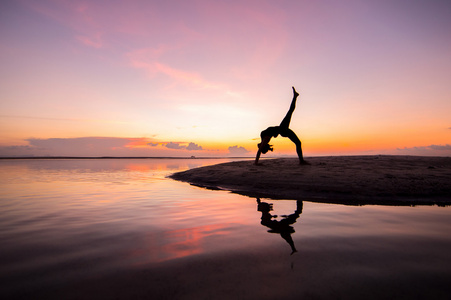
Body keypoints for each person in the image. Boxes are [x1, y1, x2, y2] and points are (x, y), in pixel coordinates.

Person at [255, 86, 308, 165]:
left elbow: (272, 135)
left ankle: (301, 161)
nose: (259, 146)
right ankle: (301, 161)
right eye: (261, 146)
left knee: (298, 142)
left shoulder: (263, 136)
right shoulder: (265, 138)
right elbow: (259, 151)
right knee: (290, 112)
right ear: (263, 146)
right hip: (283, 129)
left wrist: (275, 134)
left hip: (282, 129)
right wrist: (256, 162)